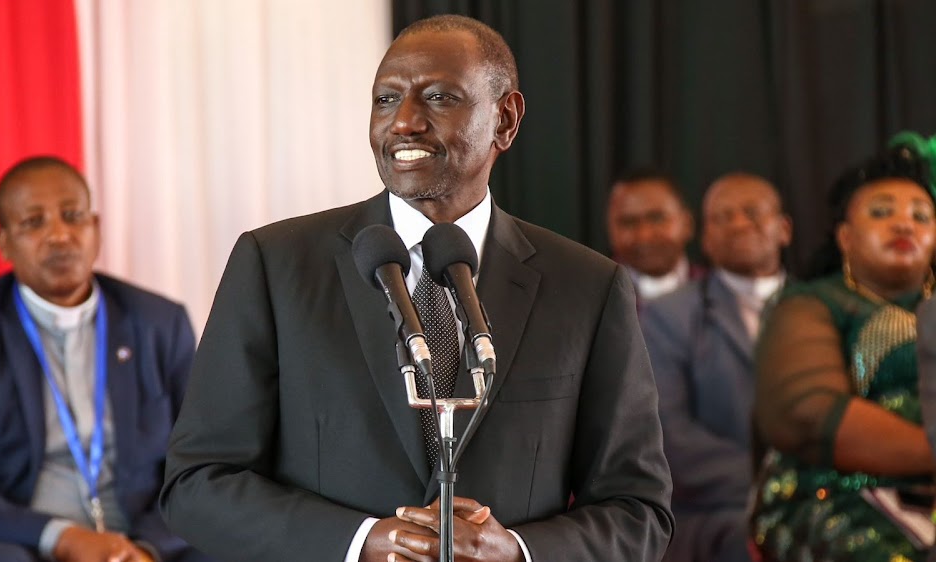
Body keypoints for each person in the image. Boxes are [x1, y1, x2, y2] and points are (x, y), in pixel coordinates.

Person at [160, 14, 673, 562]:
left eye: (438, 98)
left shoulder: (587, 286)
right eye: (386, 100)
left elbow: (638, 509)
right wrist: (359, 542)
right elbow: (197, 483)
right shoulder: (275, 264)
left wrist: (518, 551)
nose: (404, 122)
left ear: (505, 119)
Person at [0, 156, 212, 562]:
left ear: (95, 228)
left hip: (145, 539)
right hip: (25, 544)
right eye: (34, 222)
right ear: (4, 244)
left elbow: (202, 467)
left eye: (72, 216)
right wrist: (63, 538)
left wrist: (146, 548)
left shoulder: (160, 323)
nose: (59, 235)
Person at [751, 145, 936, 561]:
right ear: (845, 237)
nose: (904, 223)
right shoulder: (811, 303)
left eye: (921, 216)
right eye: (881, 212)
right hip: (833, 498)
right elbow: (808, 413)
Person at [640, 173, 791, 562]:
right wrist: (776, 484)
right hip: (714, 511)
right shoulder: (668, 316)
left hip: (820, 497)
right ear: (705, 239)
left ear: (784, 229)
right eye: (723, 217)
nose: (739, 224)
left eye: (752, 213)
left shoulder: (821, 308)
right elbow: (668, 432)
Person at [606, 168, 702, 302]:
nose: (644, 236)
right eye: (628, 222)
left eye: (657, 219)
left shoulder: (720, 293)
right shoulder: (593, 294)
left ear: (687, 224)